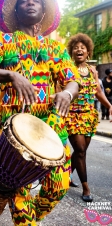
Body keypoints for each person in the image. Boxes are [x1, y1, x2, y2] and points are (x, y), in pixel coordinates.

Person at [0, 0, 81, 226]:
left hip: (51, 131)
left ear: (43, 11)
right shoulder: (4, 42)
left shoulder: (54, 48)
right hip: (15, 137)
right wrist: (10, 75)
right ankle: (25, 219)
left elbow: (72, 80)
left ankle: (30, 218)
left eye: (36, 0)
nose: (30, 2)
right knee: (21, 206)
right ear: (16, 12)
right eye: (24, 0)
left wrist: (66, 92)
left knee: (58, 189)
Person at [65, 33, 112, 202]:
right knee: (80, 151)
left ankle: (66, 177)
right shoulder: (68, 69)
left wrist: (109, 106)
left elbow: (98, 92)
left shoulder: (92, 71)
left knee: (80, 152)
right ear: (72, 52)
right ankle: (86, 187)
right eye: (76, 48)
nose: (79, 50)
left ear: (88, 52)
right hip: (72, 116)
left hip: (89, 117)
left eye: (82, 48)